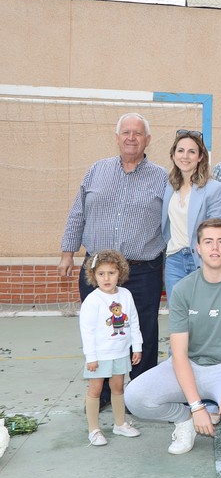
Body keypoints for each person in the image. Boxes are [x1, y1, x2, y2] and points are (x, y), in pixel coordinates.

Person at [124, 219, 221, 457]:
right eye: (208, 242)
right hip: (191, 365)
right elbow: (178, 354)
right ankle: (183, 421)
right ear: (198, 247)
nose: (215, 248)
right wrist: (196, 408)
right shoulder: (183, 289)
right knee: (135, 397)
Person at [58, 112, 167, 385]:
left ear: (148, 140)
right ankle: (104, 392)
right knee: (101, 331)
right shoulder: (96, 170)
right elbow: (77, 213)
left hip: (144, 270)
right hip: (98, 270)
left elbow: (172, 221)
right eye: (126, 132)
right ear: (117, 138)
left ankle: (142, 391)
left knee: (143, 329)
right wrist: (67, 253)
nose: (132, 138)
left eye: (138, 133)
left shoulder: (162, 177)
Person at [78, 250, 143, 446]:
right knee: (95, 390)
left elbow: (133, 321)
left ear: (120, 273)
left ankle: (120, 424)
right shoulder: (93, 300)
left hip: (121, 353)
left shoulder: (126, 295)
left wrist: (137, 347)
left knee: (118, 388)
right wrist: (91, 357)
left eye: (111, 273)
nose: (106, 278)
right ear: (93, 275)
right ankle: (94, 430)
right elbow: (87, 331)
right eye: (101, 274)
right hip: (99, 356)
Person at [162, 129, 221, 302]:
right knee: (179, 317)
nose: (185, 156)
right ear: (173, 155)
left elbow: (218, 230)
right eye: (180, 150)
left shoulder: (214, 189)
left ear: (200, 157)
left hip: (201, 259)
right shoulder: (168, 187)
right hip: (174, 260)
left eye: (192, 151)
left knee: (204, 316)